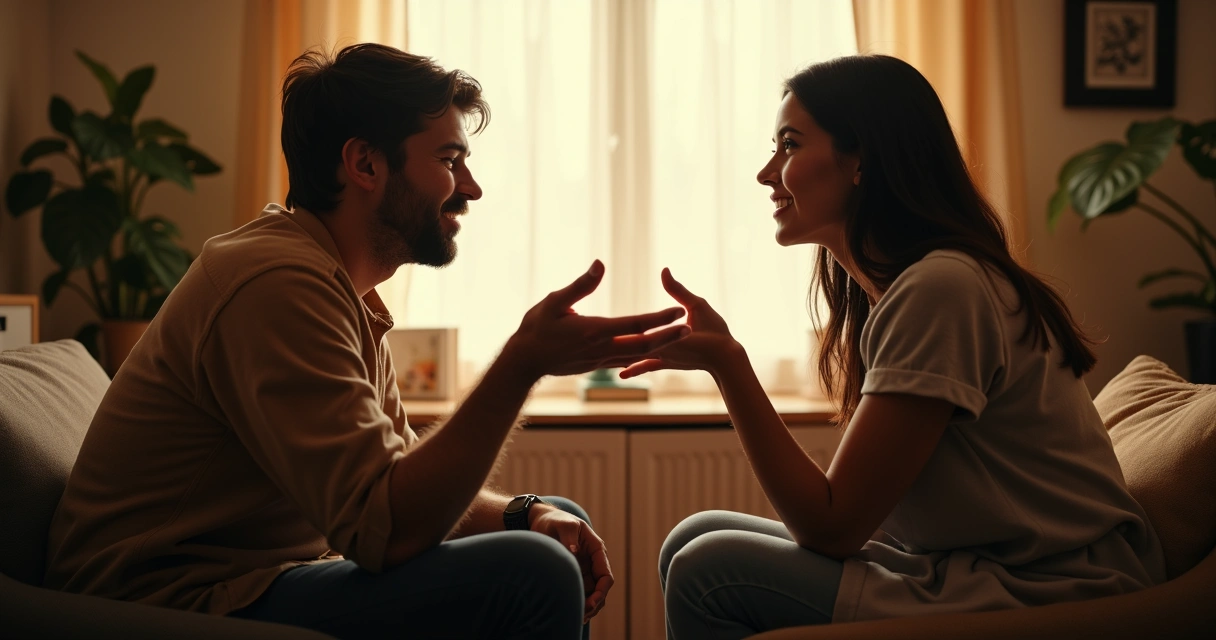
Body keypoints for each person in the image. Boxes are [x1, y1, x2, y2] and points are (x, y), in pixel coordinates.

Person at [43, 43, 690, 640]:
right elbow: (387, 527)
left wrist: (527, 511)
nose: (470, 189)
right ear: (365, 163)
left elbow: (398, 477)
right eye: (449, 160)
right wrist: (520, 365)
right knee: (534, 570)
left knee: (554, 524)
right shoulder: (274, 284)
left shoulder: (332, 286)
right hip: (170, 598)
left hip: (259, 576)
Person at [623, 55, 1166, 640]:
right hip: (974, 565)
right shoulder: (913, 291)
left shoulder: (943, 289)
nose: (765, 172)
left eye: (789, 146)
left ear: (860, 161)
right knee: (692, 536)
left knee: (707, 571)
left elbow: (831, 527)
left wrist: (730, 366)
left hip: (1047, 585)